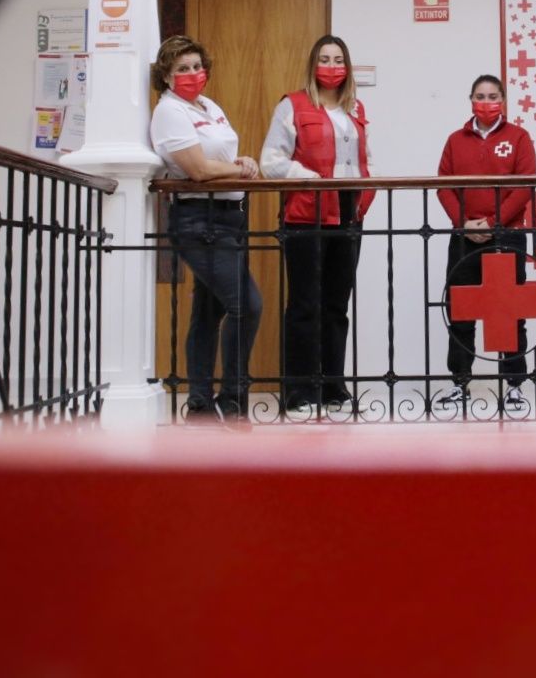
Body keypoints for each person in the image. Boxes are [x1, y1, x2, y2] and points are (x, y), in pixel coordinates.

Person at [148, 35, 262, 424]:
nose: (193, 74)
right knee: (246, 304)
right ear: (165, 75)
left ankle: (199, 402)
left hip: (229, 217)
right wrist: (240, 166)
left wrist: (236, 165)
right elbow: (196, 169)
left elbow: (219, 156)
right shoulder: (169, 111)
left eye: (197, 66)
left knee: (208, 311)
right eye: (182, 68)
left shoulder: (207, 106)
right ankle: (233, 398)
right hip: (199, 220)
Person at [260, 35, 374, 418]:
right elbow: (270, 161)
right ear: (313, 64)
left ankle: (333, 386)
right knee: (305, 304)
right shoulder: (291, 105)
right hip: (306, 212)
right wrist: (309, 178)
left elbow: (364, 161)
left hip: (348, 213)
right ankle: (298, 389)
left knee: (336, 305)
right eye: (324, 58)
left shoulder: (354, 108)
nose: (331, 65)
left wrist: (363, 202)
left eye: (338, 58)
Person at [435, 75, 536, 413]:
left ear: (504, 100)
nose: (486, 101)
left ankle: (514, 387)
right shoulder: (454, 140)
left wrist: (493, 224)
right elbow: (443, 186)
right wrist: (464, 224)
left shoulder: (519, 137)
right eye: (480, 95)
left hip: (506, 236)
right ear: (470, 99)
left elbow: (524, 186)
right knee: (460, 310)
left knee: (509, 314)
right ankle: (460, 383)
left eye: (493, 96)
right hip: (463, 236)